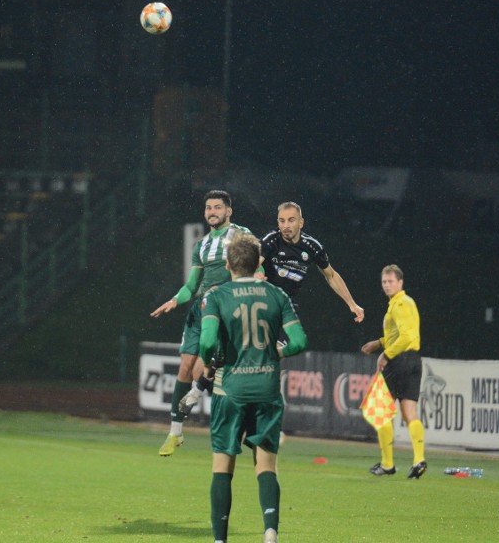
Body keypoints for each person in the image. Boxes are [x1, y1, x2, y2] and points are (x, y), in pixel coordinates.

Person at [182, 201, 364, 413]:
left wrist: (352, 304)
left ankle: (247, 399)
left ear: (301, 223)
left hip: (284, 310)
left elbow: (331, 275)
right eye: (281, 221)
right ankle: (199, 392)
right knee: (225, 355)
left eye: (291, 220)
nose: (285, 225)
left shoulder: (312, 247)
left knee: (270, 354)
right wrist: (257, 272)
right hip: (259, 304)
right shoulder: (270, 241)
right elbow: (254, 261)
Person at [199, 233, 307, 543]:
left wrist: (213, 359)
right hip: (267, 389)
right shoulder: (277, 295)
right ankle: (270, 532)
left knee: (223, 465)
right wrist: (276, 352)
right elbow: (299, 341)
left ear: (228, 264)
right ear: (259, 262)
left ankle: (220, 540)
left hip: (229, 389)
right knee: (266, 465)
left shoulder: (216, 296)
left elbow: (207, 342)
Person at [150, 190, 256, 456]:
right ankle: (175, 432)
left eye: (217, 207)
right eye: (208, 207)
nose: (212, 212)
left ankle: (237, 421)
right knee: (185, 367)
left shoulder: (242, 235)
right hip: (200, 308)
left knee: (202, 370)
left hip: (225, 308)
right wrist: (175, 300)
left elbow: (257, 264)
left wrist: (258, 282)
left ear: (228, 211)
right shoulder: (202, 245)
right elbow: (191, 285)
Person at [360, 264, 426, 479]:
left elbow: (404, 337)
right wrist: (379, 343)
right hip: (414, 360)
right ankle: (419, 460)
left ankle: (388, 464)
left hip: (400, 361)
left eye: (390, 281)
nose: (387, 285)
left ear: (400, 282)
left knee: (379, 409)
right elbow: (403, 334)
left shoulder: (399, 304)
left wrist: (386, 354)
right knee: (409, 413)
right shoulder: (407, 302)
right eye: (384, 282)